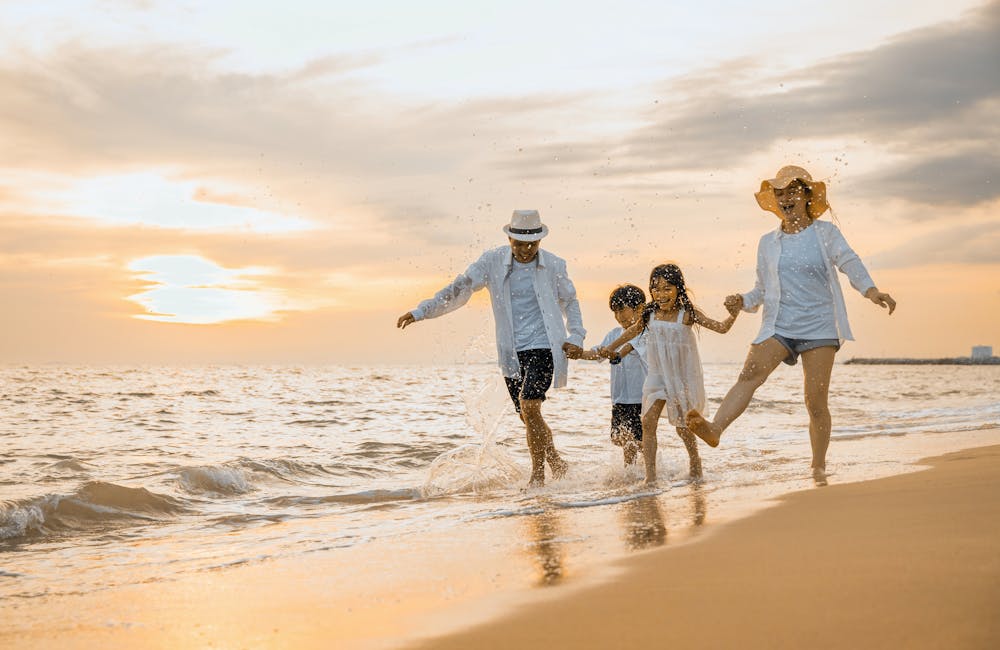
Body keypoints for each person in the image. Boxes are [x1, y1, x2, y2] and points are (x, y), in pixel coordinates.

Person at [685, 166, 897, 480]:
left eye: (792, 192)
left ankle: (818, 466)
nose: (785, 198)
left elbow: (849, 261)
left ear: (806, 195)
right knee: (750, 374)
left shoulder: (825, 234)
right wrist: (742, 300)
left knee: (814, 399)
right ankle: (715, 429)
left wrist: (870, 290)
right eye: (780, 193)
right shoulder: (767, 242)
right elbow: (761, 289)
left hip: (819, 326)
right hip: (779, 324)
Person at [397, 210, 586, 487]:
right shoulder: (492, 261)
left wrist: (577, 336)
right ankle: (556, 460)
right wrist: (421, 311)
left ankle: (538, 477)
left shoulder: (555, 265)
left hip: (544, 344)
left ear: (540, 241)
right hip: (511, 352)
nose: (525, 250)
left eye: (532, 244)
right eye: (519, 244)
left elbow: (571, 302)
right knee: (528, 415)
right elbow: (459, 288)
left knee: (530, 405)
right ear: (509, 238)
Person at [601, 264, 739, 484]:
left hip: (681, 376)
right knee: (647, 421)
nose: (661, 294)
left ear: (678, 289)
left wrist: (733, 314)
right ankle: (651, 477)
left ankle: (695, 461)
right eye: (656, 289)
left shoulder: (687, 315)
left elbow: (721, 328)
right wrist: (611, 347)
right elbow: (632, 331)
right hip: (657, 375)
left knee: (683, 427)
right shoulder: (650, 314)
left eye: (667, 288)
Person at [569, 284, 649, 467]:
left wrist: (613, 353)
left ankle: (645, 471)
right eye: (615, 312)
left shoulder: (644, 333)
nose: (618, 316)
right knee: (620, 439)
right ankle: (635, 471)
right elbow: (598, 353)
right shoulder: (614, 333)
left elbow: (624, 351)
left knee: (636, 439)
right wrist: (578, 353)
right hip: (619, 397)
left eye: (622, 311)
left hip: (639, 397)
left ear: (639, 308)